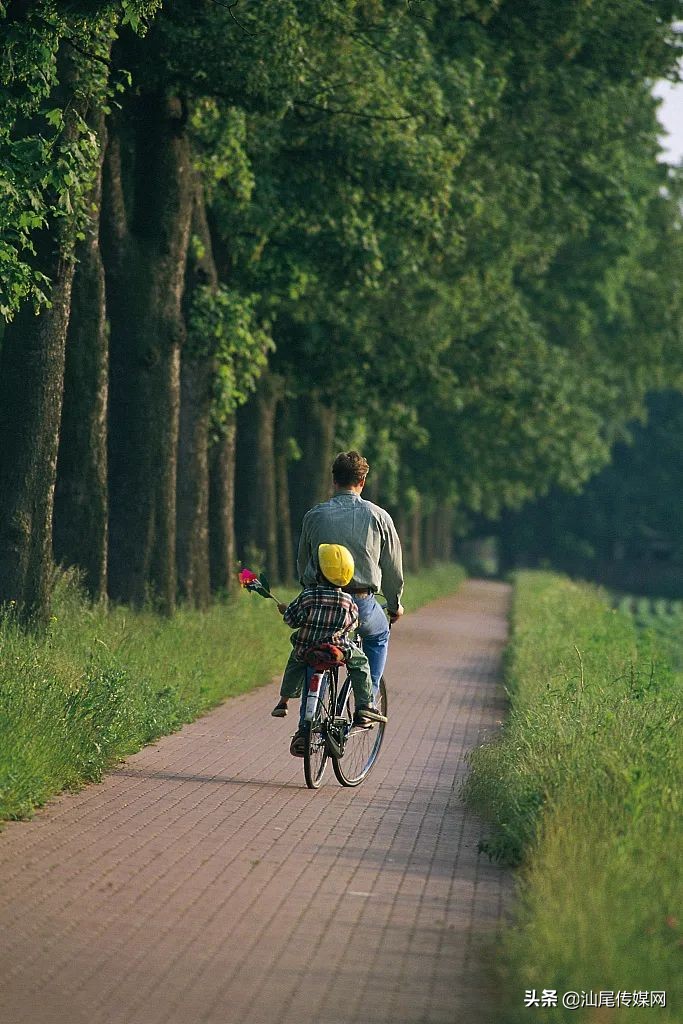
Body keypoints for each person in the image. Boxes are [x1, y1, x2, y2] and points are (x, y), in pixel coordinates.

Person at [296, 450, 404, 699]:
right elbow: (393, 569)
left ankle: (306, 724)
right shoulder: (380, 517)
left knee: (316, 647)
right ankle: (367, 702)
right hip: (361, 603)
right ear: (362, 481)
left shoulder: (314, 516)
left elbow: (303, 563)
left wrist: (308, 596)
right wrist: (394, 605)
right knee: (378, 637)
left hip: (321, 601)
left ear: (334, 480)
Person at [272, 543, 385, 757]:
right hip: (336, 650)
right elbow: (352, 625)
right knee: (361, 663)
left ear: (318, 571)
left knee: (295, 662)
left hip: (307, 649)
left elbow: (292, 620)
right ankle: (364, 705)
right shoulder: (348, 601)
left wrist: (286, 610)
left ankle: (284, 701)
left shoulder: (308, 596)